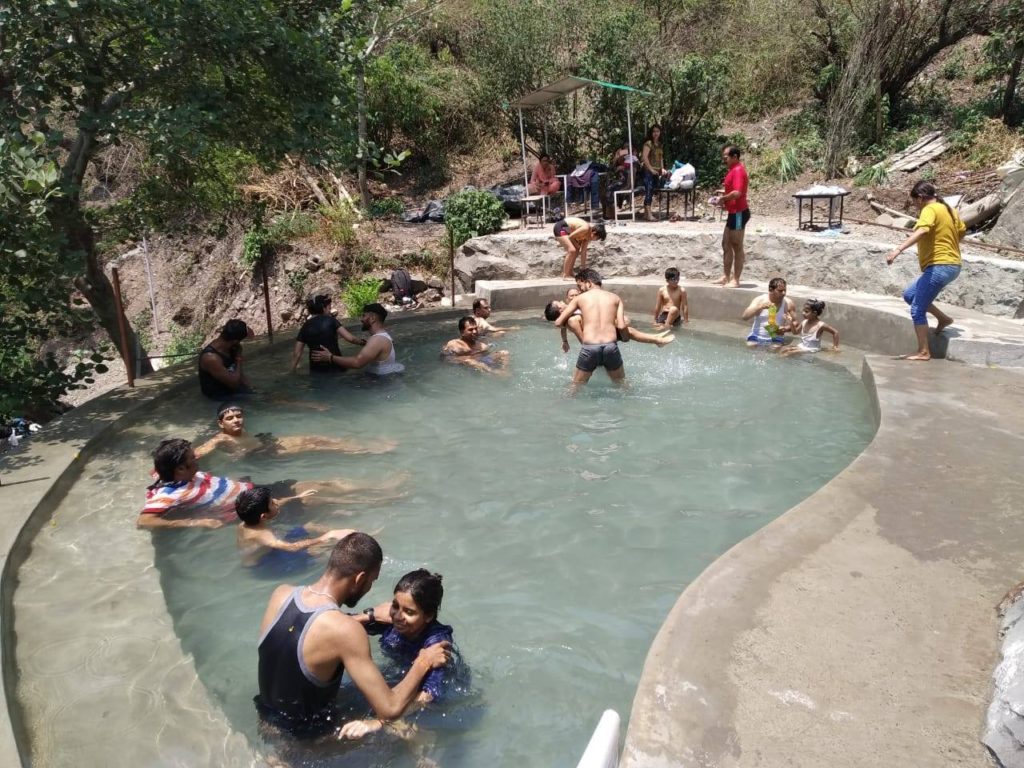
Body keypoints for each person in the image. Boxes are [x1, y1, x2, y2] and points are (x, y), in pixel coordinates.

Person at [255, 533, 451, 739]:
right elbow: (390, 709)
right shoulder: (346, 631)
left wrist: (369, 616)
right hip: (306, 743)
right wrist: (424, 661)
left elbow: (316, 626)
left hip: (266, 721)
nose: (369, 588)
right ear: (359, 579)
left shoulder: (281, 594)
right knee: (403, 733)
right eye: (372, 581)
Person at [339, 569, 458, 740]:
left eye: (409, 612)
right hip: (401, 675)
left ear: (428, 616)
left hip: (436, 696)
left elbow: (429, 695)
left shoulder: (436, 643)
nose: (398, 617)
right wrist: (369, 616)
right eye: (395, 606)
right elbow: (337, 627)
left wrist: (378, 721)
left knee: (402, 732)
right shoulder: (391, 621)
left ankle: (427, 753)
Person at [885, 180, 965, 361]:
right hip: (952, 265)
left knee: (917, 310)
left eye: (914, 202)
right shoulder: (949, 210)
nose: (915, 206)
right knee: (909, 295)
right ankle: (944, 319)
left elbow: (922, 230)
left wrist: (898, 250)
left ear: (920, 198)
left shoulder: (929, 210)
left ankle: (923, 352)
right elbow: (962, 231)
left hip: (940, 265)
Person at [194, 403, 394, 460]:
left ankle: (365, 444)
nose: (236, 420)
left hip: (268, 444)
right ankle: (368, 451)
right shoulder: (220, 438)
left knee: (316, 438)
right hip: (268, 453)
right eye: (230, 418)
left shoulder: (239, 430)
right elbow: (199, 453)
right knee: (318, 447)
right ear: (220, 423)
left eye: (238, 416)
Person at [137, 438, 252, 530]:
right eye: (192, 458)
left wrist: (215, 441)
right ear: (181, 469)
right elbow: (143, 522)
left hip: (246, 488)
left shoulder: (166, 470)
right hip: (243, 503)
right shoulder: (170, 493)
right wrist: (195, 523)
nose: (196, 458)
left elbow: (155, 469)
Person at [235, 486, 357, 569]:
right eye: (272, 503)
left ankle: (342, 533)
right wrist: (327, 536)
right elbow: (292, 547)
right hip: (265, 563)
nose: (276, 502)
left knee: (309, 526)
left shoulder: (248, 520)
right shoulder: (261, 534)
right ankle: (349, 541)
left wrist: (296, 497)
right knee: (321, 550)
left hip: (269, 550)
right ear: (264, 516)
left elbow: (279, 502)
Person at [553, 269, 627, 387]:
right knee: (622, 385)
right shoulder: (616, 298)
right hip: (611, 347)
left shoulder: (580, 299)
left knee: (575, 388)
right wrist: (625, 338)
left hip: (590, 348)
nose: (580, 289)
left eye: (580, 285)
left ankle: (561, 404)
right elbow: (622, 326)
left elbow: (558, 322)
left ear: (588, 283)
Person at [545, 287, 673, 352]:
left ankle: (656, 338)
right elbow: (583, 340)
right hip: (598, 338)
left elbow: (561, 327)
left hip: (601, 333)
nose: (562, 301)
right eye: (560, 303)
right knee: (631, 332)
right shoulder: (571, 320)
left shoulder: (568, 316)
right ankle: (657, 340)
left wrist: (565, 341)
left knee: (630, 330)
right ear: (560, 311)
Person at [311, 303, 404, 375]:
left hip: (381, 382)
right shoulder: (382, 337)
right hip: (382, 379)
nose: (361, 319)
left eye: (364, 316)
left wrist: (330, 357)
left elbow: (357, 363)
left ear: (372, 318)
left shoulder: (377, 340)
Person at [290, 294, 366, 374]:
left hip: (316, 371)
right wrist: (364, 343)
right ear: (323, 308)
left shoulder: (305, 326)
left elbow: (297, 353)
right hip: (336, 366)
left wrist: (292, 371)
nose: (330, 311)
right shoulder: (331, 321)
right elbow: (351, 339)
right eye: (329, 308)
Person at [714, 145, 750, 288]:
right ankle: (726, 276)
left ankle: (736, 279)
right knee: (726, 243)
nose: (725, 160)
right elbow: (731, 190)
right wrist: (722, 193)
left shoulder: (739, 171)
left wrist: (723, 199)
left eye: (726, 157)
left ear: (735, 157)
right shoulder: (732, 170)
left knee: (737, 245)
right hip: (733, 212)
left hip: (739, 212)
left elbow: (737, 193)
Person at [198, 319, 254, 399]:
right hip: (220, 396)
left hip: (233, 390)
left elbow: (239, 375)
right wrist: (239, 359)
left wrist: (252, 389)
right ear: (235, 341)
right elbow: (234, 384)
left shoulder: (232, 347)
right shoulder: (211, 358)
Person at [441, 317, 510, 374]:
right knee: (470, 361)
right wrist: (464, 359)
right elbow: (445, 358)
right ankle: (493, 372)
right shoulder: (454, 344)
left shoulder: (481, 345)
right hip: (468, 364)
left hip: (481, 361)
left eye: (475, 328)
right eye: (470, 330)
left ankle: (504, 371)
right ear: (462, 332)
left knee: (504, 352)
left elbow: (487, 357)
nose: (474, 331)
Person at [741, 277, 797, 348]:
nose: (784, 293)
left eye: (785, 290)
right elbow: (745, 317)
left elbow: (795, 323)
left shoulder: (788, 303)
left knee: (775, 348)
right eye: (780, 291)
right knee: (750, 346)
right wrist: (760, 306)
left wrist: (785, 328)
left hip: (776, 338)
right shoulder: (760, 300)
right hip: (756, 336)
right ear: (771, 290)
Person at [640, 125, 669, 221]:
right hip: (648, 171)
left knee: (652, 190)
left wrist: (662, 168)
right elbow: (644, 157)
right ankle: (648, 214)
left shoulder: (660, 144)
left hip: (656, 171)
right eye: (654, 131)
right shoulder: (648, 143)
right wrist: (651, 169)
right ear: (651, 133)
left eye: (657, 131)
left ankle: (645, 213)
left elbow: (661, 158)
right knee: (649, 189)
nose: (656, 133)